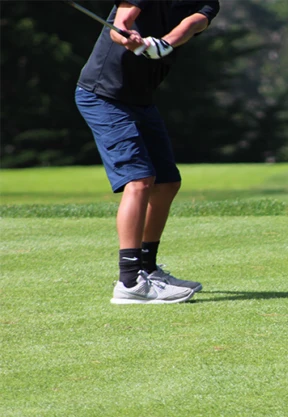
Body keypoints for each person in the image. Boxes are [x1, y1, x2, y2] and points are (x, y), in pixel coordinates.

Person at [75, 0, 220, 304]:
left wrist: (163, 43)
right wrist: (127, 38)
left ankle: (148, 268)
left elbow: (192, 24)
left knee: (167, 182)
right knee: (140, 179)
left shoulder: (207, 2)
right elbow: (122, 23)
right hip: (104, 95)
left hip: (141, 100)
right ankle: (129, 283)